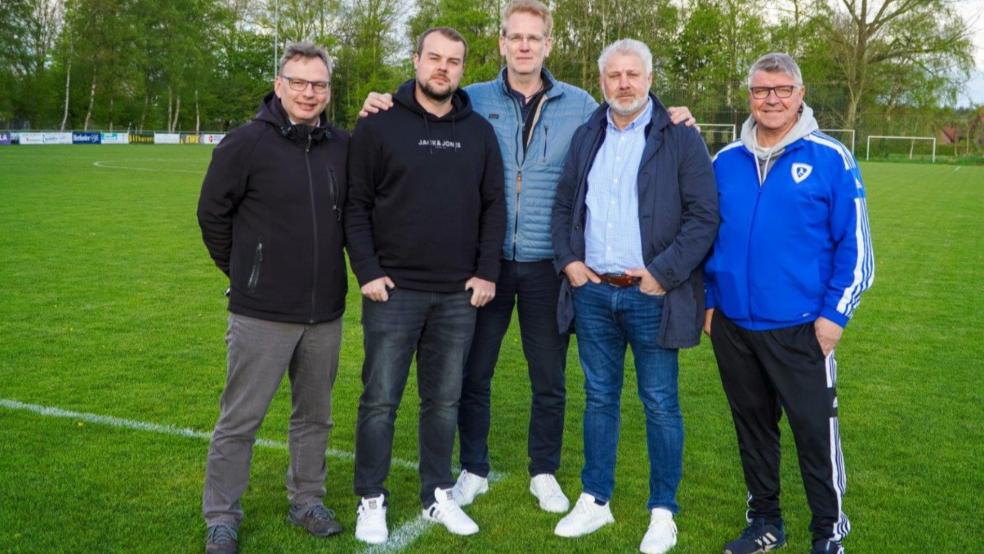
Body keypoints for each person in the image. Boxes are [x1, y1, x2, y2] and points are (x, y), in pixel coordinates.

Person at [359, 0, 697, 513]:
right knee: (474, 374)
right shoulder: (470, 100)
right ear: (501, 43)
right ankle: (473, 466)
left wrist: (673, 111)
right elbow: (421, 109)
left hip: (549, 264)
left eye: (533, 38)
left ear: (547, 45)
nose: (523, 46)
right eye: (514, 37)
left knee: (549, 378)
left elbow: (630, 103)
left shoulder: (581, 103)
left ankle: (544, 470)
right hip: (484, 265)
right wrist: (383, 101)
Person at [550, 39, 718, 554]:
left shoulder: (681, 139)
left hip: (651, 294)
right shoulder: (586, 135)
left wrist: (662, 275)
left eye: (633, 74)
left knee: (660, 403)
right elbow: (562, 207)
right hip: (594, 293)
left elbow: (704, 217)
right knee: (599, 398)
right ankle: (595, 499)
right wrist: (570, 263)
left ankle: (662, 511)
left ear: (649, 78)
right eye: (614, 75)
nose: (624, 83)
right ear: (602, 81)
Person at [704, 52, 874, 554]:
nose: (771, 99)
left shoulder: (831, 158)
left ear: (800, 95)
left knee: (815, 437)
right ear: (750, 96)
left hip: (803, 328)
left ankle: (828, 534)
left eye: (781, 90)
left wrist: (833, 318)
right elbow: (708, 237)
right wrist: (712, 303)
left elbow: (857, 248)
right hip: (734, 327)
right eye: (761, 90)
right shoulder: (725, 161)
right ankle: (765, 524)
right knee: (754, 432)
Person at [345, 27, 506, 544]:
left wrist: (486, 272)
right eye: (433, 57)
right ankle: (371, 499)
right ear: (415, 60)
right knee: (380, 401)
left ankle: (437, 493)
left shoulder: (479, 131)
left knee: (443, 401)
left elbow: (493, 208)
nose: (443, 67)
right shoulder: (378, 125)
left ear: (462, 69)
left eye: (453, 61)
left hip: (458, 294)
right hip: (393, 292)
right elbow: (356, 205)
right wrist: (368, 270)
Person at [196, 42, 348, 554]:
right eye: (299, 82)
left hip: (324, 312)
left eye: (319, 84)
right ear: (279, 85)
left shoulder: (340, 146)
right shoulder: (245, 144)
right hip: (261, 313)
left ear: (329, 90)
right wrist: (246, 273)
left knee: (315, 416)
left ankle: (307, 500)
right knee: (240, 419)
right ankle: (221, 515)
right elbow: (212, 216)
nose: (309, 93)